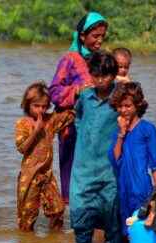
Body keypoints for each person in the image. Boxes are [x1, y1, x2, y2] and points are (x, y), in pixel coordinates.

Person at [70, 51, 125, 243]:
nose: (101, 80)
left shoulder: (118, 98)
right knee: (82, 222)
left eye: (106, 75)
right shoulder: (85, 96)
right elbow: (78, 117)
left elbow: (134, 106)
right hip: (83, 170)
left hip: (108, 171)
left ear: (113, 75)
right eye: (96, 75)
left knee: (112, 222)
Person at [49, 12, 108, 205]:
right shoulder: (70, 59)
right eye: (95, 36)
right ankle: (75, 222)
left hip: (96, 128)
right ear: (82, 36)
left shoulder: (101, 59)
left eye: (102, 36)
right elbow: (54, 92)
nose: (99, 40)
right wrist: (76, 90)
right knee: (73, 174)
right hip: (72, 128)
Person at [15, 82, 75, 232]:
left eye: (44, 106)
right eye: (36, 106)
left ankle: (54, 238)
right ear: (27, 105)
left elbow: (68, 115)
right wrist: (35, 131)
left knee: (58, 209)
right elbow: (21, 148)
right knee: (27, 216)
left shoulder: (49, 121)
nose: (41, 110)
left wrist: (76, 92)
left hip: (47, 175)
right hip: (29, 176)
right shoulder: (22, 123)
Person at [108, 82, 156, 235]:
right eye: (120, 106)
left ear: (137, 105)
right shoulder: (117, 133)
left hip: (142, 190)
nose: (123, 110)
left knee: (143, 232)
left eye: (127, 106)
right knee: (128, 233)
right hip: (124, 191)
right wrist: (121, 133)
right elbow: (115, 160)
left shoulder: (147, 129)